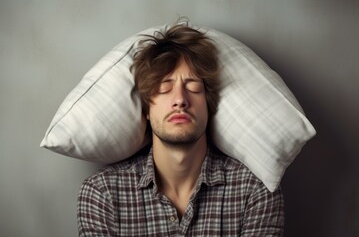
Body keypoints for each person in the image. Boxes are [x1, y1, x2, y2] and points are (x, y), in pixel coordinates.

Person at [77, 23, 284, 236]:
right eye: (164, 88)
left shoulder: (253, 191)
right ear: (147, 108)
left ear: (208, 105)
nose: (179, 100)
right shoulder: (103, 192)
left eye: (193, 86)